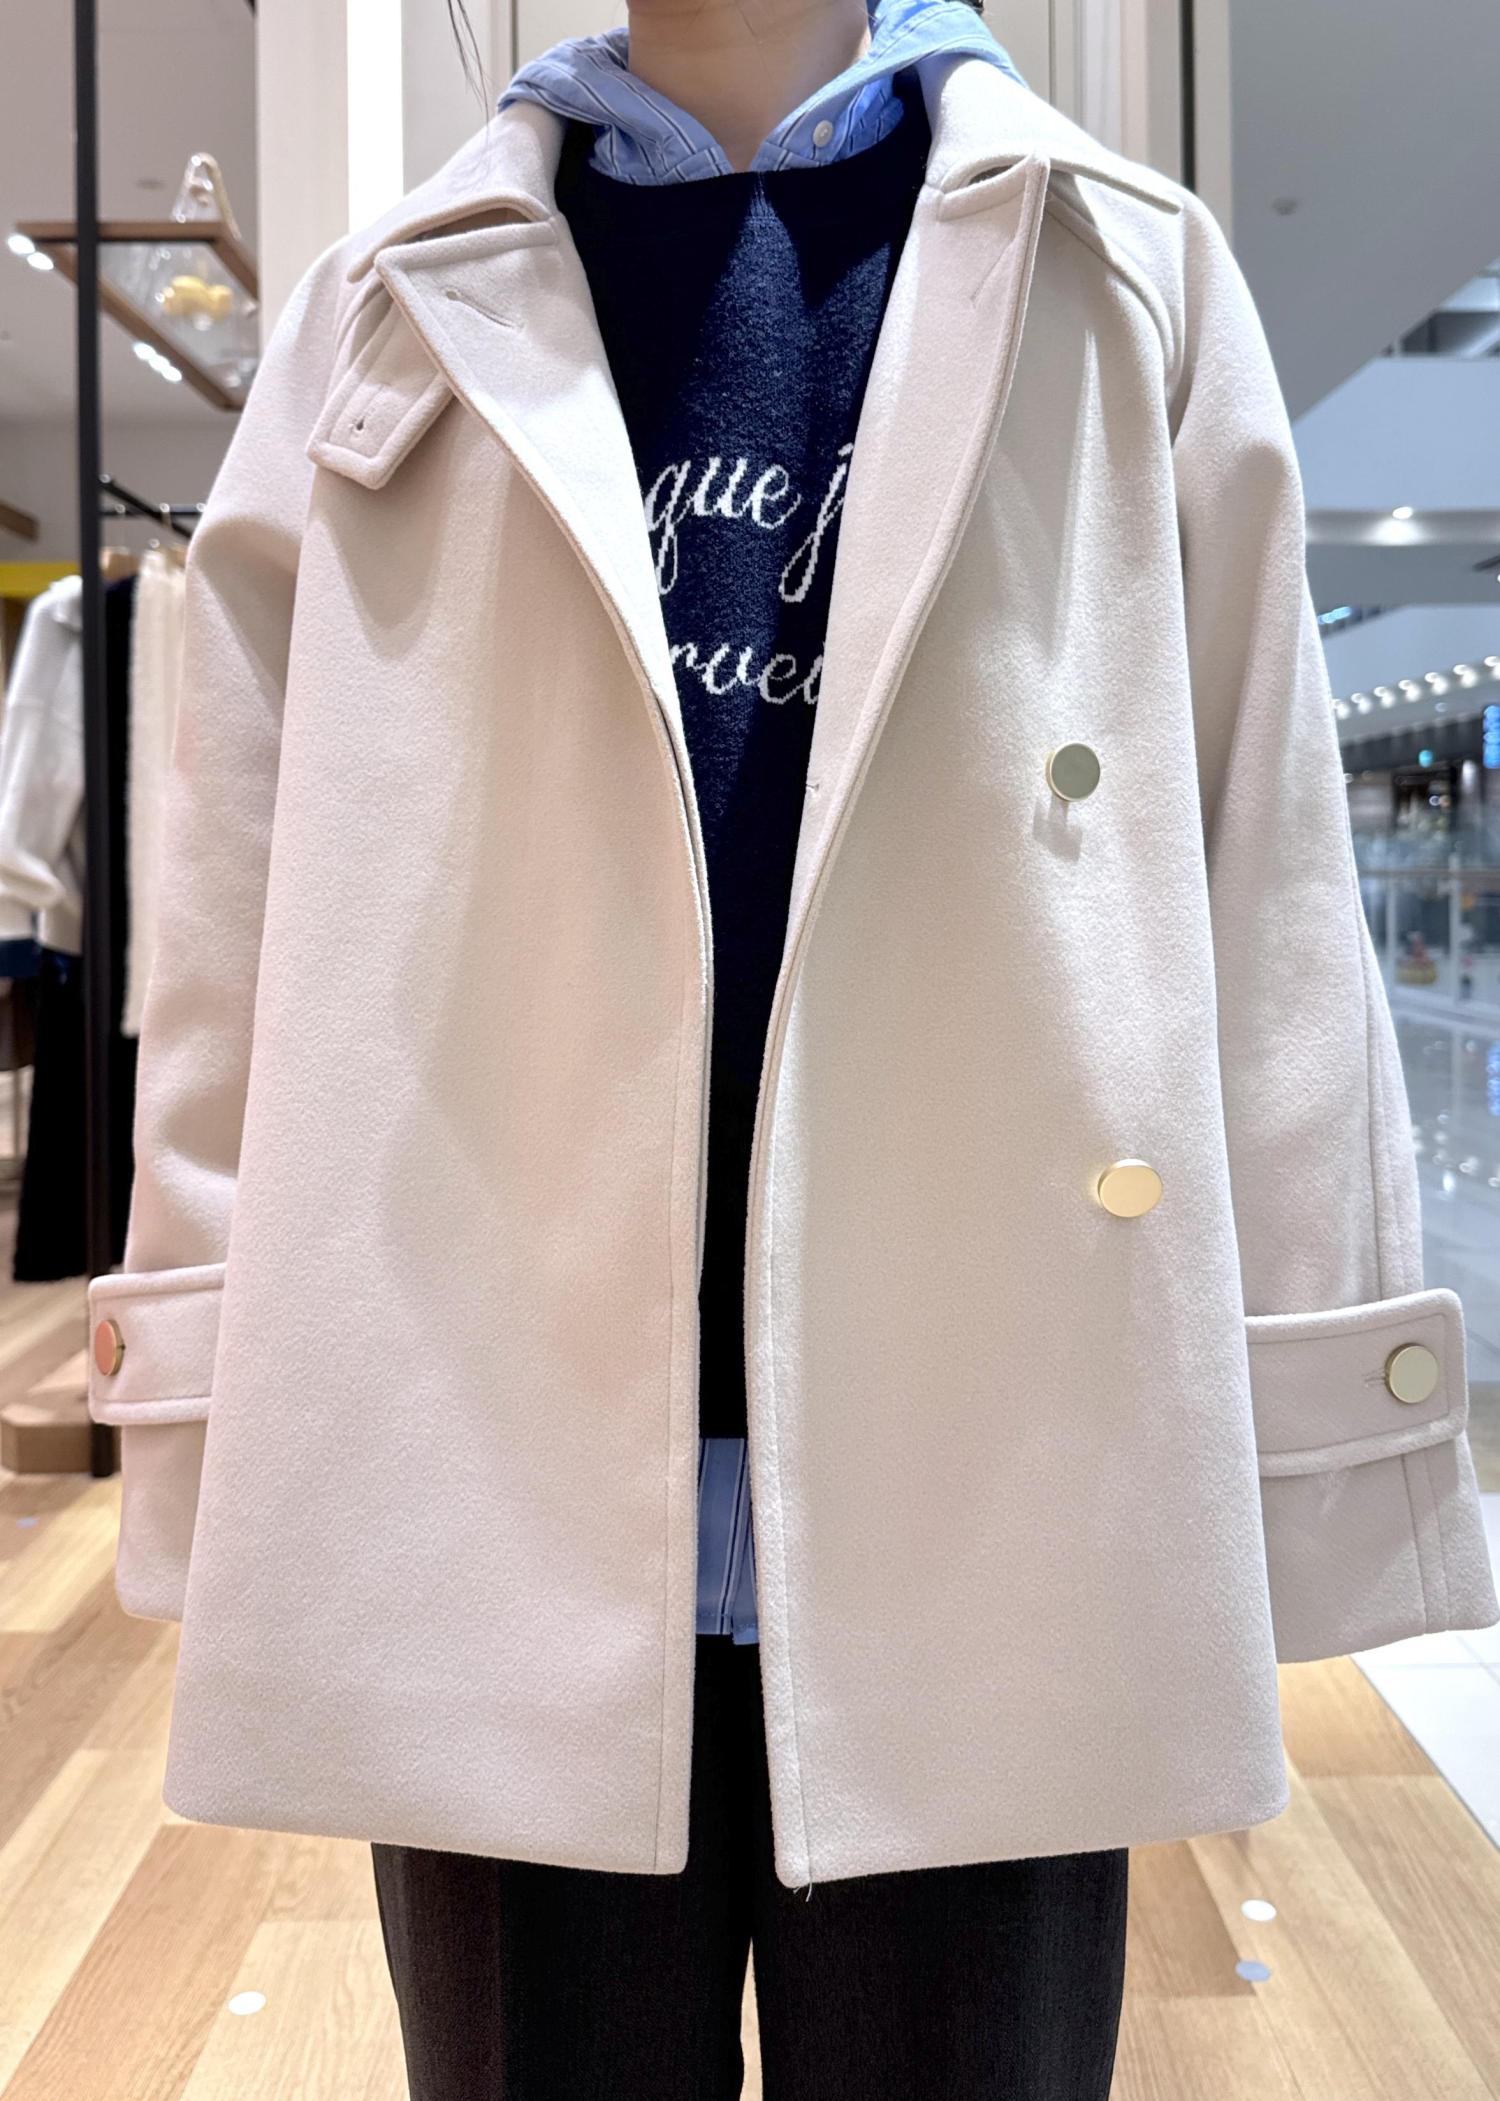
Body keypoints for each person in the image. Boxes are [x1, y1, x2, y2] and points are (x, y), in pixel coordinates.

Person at [85, 0, 1499, 2092]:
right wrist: (213, 1408)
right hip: (485, 1472)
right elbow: (232, 918)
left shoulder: (1125, 276)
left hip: (997, 1475)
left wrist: (1307, 1432)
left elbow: (1263, 876)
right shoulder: (379, 312)